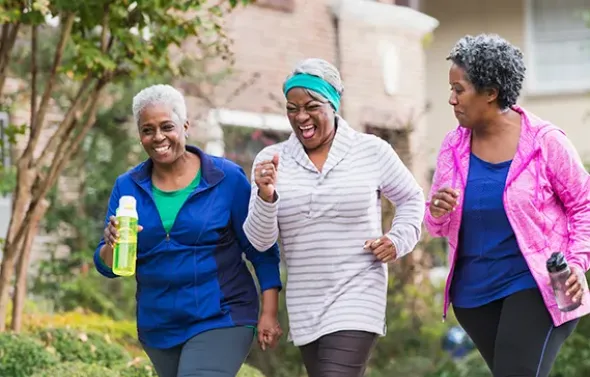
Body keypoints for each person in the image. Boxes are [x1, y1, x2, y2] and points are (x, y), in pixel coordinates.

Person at [242, 58, 425, 377]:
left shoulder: (371, 151)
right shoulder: (273, 160)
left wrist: (397, 240)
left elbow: (411, 198)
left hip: (359, 291)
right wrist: (265, 195)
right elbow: (260, 241)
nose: (301, 117)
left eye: (311, 106)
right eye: (292, 108)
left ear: (333, 104)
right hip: (307, 301)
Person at [425, 34, 590, 377]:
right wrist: (437, 210)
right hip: (474, 297)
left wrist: (576, 263)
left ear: (490, 92)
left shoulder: (546, 142)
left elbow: (584, 205)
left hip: (537, 285)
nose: (451, 99)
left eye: (459, 89)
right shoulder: (452, 147)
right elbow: (437, 226)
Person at [93, 84, 283, 377]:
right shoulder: (127, 186)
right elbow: (110, 266)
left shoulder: (225, 178)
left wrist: (269, 312)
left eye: (166, 126)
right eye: (147, 130)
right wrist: (110, 244)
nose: (158, 137)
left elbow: (260, 248)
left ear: (185, 125)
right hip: (159, 326)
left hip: (222, 315)